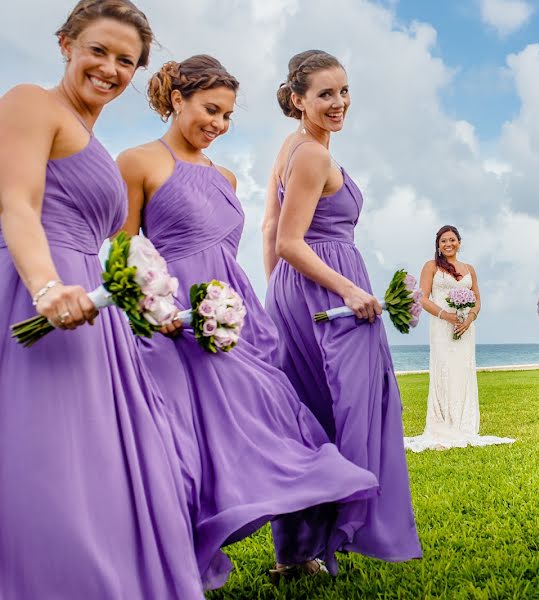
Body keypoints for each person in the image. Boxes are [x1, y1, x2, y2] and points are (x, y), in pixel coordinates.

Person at [117, 54, 380, 586]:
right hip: (173, 324)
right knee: (184, 445)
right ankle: (170, 565)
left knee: (278, 425)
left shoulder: (226, 176)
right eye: (210, 110)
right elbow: (122, 253)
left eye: (228, 115)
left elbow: (235, 250)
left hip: (234, 321)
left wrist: (254, 306)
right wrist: (156, 310)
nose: (218, 124)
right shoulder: (137, 162)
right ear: (176, 100)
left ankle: (302, 541)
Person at [0, 1, 205, 597]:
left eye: (126, 60)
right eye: (98, 50)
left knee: (104, 468)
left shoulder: (91, 136)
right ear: (65, 43)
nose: (110, 68)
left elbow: (115, 244)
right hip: (40, 294)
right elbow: (16, 203)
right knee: (49, 461)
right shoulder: (30, 103)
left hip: (94, 312)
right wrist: (44, 287)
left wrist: (153, 309)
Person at [263, 50, 422, 565]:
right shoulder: (310, 154)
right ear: (298, 99)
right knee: (355, 410)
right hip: (330, 292)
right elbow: (289, 239)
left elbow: (270, 231)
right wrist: (348, 291)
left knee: (309, 414)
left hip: (299, 291)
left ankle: (300, 550)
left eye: (344, 91)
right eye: (325, 94)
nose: (339, 103)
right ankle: (341, 531)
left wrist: (280, 297)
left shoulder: (291, 147)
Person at [404, 225, 515, 452]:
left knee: (463, 370)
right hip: (442, 326)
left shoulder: (469, 268)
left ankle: (463, 423)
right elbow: (422, 298)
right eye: (443, 241)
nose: (448, 244)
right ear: (438, 245)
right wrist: (446, 315)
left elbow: (477, 299)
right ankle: (443, 423)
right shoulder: (431, 266)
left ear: (459, 242)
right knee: (444, 369)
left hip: (465, 327)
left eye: (452, 240)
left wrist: (470, 318)